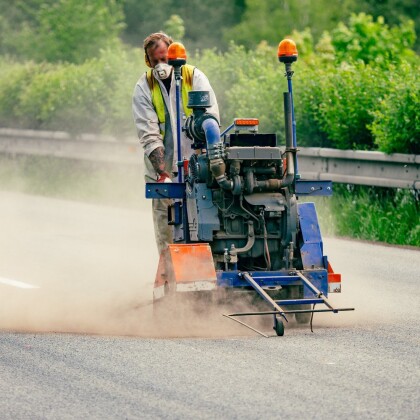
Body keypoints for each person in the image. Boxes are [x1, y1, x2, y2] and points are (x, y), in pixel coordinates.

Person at [132, 32, 220, 255]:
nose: (161, 65)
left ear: (175, 54)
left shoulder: (195, 77)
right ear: (148, 61)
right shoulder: (144, 87)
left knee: (206, 223)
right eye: (156, 61)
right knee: (167, 232)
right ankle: (169, 278)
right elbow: (149, 135)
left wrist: (205, 159)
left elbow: (212, 120)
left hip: (199, 166)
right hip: (164, 170)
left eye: (165, 58)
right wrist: (163, 173)